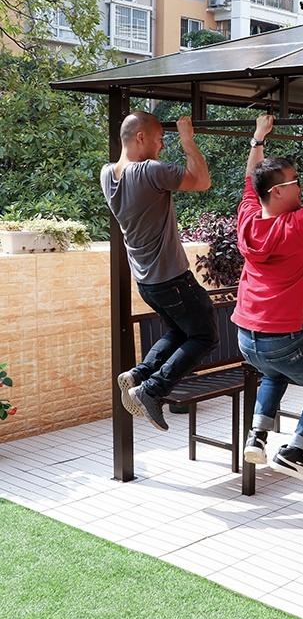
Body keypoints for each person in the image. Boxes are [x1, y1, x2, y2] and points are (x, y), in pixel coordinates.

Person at [234, 113, 303, 482]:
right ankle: (296, 451)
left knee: (273, 373)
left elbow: (250, 182)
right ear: (277, 192)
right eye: (296, 183)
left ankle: (257, 435)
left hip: (246, 336)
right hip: (281, 338)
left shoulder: (248, 217)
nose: (301, 188)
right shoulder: (297, 226)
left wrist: (258, 137)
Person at [101, 112, 218, 432]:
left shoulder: (107, 174)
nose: (162, 146)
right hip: (173, 279)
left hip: (147, 283)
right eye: (159, 139)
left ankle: (138, 374)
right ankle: (151, 390)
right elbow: (203, 181)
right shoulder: (150, 171)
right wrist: (187, 140)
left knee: (181, 332)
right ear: (140, 137)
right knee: (206, 335)